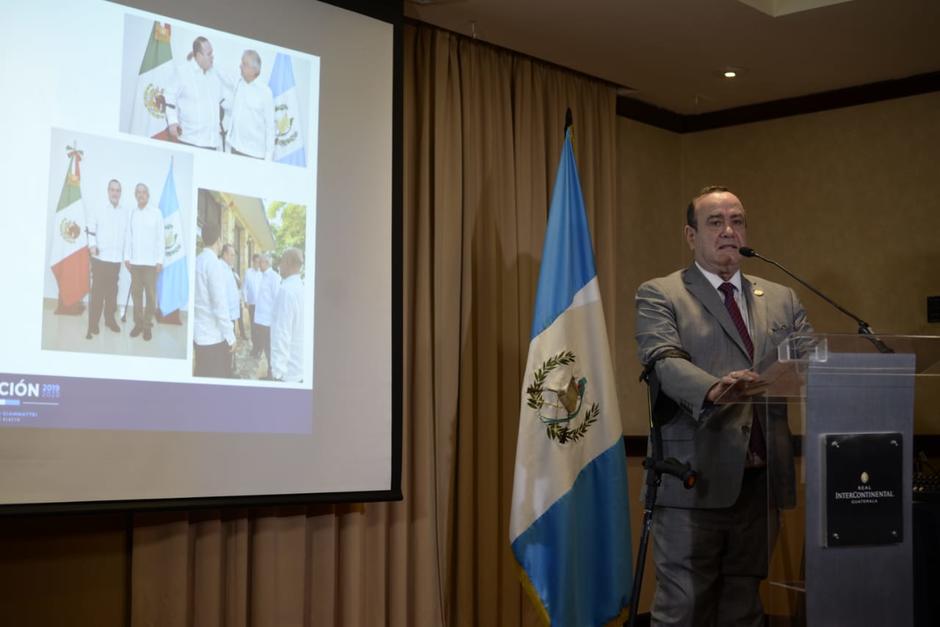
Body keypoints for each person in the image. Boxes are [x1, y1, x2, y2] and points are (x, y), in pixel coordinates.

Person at [634, 186, 813, 627]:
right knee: (684, 610)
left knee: (744, 608)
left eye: (738, 221)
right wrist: (715, 389)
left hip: (761, 479)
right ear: (691, 235)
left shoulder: (782, 298)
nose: (730, 231)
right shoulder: (661, 293)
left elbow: (811, 360)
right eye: (716, 222)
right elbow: (662, 360)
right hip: (694, 478)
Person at [165, 37, 225, 150]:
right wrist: (172, 122)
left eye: (212, 53)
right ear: (198, 55)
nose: (213, 56)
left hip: (212, 144)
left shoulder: (214, 76)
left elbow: (222, 101)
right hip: (189, 141)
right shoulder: (182, 72)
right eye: (209, 54)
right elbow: (169, 96)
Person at [85, 179, 127, 339]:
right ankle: (94, 323)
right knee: (97, 293)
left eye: (118, 190)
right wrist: (92, 245)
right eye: (112, 190)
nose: (115, 193)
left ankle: (109, 319)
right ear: (108, 191)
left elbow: (126, 235)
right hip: (100, 258)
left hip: (116, 260)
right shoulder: (99, 208)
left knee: (112, 293)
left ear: (120, 193)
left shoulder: (124, 212)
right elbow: (91, 227)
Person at [193, 224, 235, 377]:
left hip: (199, 335)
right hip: (212, 338)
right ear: (218, 241)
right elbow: (219, 305)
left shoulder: (197, 260)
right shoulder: (214, 264)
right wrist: (230, 337)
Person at [123, 183, 164, 341]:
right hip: (135, 263)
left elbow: (160, 238)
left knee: (151, 297)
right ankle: (138, 324)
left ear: (148, 195)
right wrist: (127, 257)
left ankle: (147, 326)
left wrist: (160, 260)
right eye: (138, 192)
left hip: (151, 263)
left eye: (143, 192)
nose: (141, 195)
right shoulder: (132, 213)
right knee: (137, 295)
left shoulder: (156, 213)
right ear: (135, 195)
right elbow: (129, 236)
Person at [224, 50, 275, 160]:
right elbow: (222, 74)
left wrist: (268, 157)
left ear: (254, 70)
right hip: (234, 149)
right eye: (242, 63)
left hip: (254, 155)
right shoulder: (239, 83)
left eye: (244, 64)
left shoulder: (265, 92)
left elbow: (270, 127)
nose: (240, 66)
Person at [270, 247, 304, 382]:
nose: (279, 265)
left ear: (289, 262)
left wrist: (277, 373)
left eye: (281, 261)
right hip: (298, 368)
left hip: (287, 373)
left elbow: (282, 334)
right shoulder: (301, 288)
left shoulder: (286, 291)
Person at [252, 254, 281, 379]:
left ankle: (272, 374)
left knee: (270, 348)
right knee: (265, 347)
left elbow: (276, 299)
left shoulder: (274, 277)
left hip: (268, 321)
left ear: (267, 263)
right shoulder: (262, 276)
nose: (259, 264)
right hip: (261, 320)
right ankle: (270, 371)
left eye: (261, 262)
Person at [220, 243, 245, 341]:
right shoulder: (220, 268)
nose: (234, 258)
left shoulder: (228, 269)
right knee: (227, 346)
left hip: (231, 314)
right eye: (232, 255)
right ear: (225, 255)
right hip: (225, 315)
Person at [242, 253, 262, 353]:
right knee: (253, 327)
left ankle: (259, 347)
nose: (258, 264)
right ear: (253, 262)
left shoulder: (262, 274)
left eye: (259, 262)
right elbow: (244, 288)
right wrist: (245, 300)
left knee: (259, 327)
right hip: (252, 305)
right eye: (256, 262)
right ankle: (255, 348)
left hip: (261, 305)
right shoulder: (248, 272)